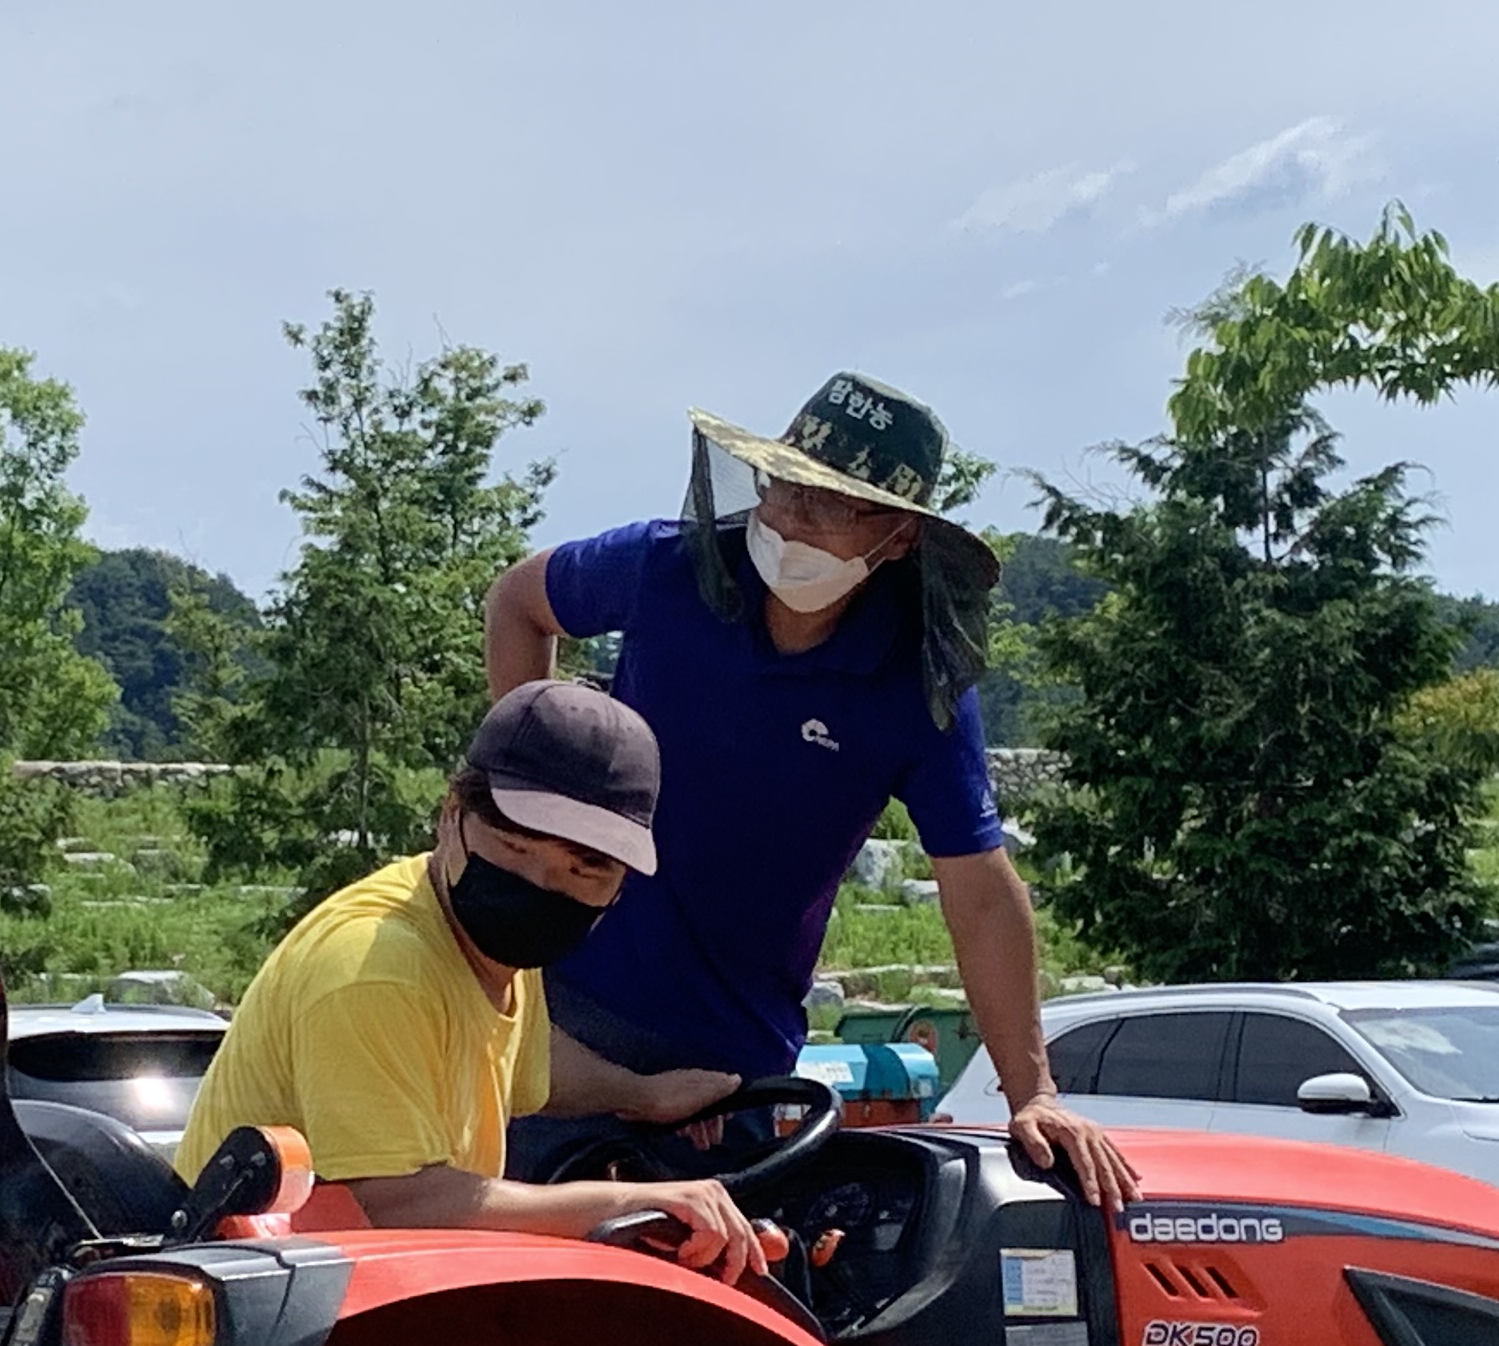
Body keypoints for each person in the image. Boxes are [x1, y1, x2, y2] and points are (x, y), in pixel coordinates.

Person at [482, 369, 1141, 1204]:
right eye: (784, 488)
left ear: (899, 536)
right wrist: (521, 788)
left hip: (731, 1069)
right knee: (504, 1289)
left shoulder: (915, 683)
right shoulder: (666, 569)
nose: (791, 520)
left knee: (705, 1311)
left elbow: (978, 890)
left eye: (828, 505)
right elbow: (517, 600)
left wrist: (1033, 1094)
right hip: (558, 1006)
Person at [180, 681, 767, 1282]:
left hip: (357, 1289)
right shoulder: (379, 967)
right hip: (260, 1305)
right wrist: (626, 1202)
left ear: (620, 883)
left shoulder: (481, 947)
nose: (541, 884)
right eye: (515, 846)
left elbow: (526, 1063)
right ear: (451, 816)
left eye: (584, 867)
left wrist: (645, 1095)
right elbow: (392, 1203)